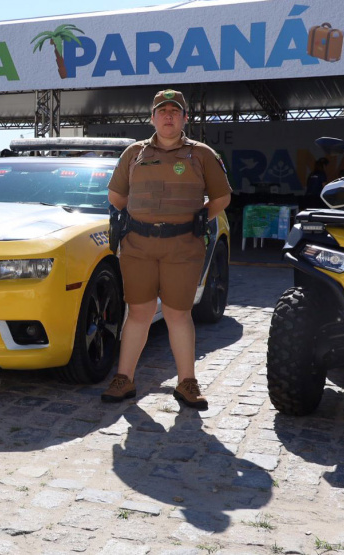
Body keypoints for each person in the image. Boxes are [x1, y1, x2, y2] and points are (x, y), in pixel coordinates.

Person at [103, 89, 232, 410]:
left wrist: (196, 219)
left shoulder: (201, 154)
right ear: (152, 118)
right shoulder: (133, 153)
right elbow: (116, 197)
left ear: (185, 118)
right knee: (139, 313)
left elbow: (221, 198)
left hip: (182, 247)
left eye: (175, 111)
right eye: (162, 111)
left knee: (178, 314)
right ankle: (124, 379)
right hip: (138, 246)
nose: (169, 116)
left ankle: (187, 383)